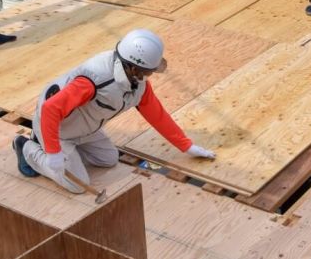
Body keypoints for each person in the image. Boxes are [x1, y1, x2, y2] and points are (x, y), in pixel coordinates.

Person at [13, 29, 217, 193]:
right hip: (57, 129)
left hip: (85, 128)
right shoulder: (94, 80)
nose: (151, 75)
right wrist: (53, 152)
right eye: (149, 71)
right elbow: (50, 109)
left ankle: (70, 153)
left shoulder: (138, 83)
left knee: (108, 159)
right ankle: (27, 148)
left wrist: (186, 146)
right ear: (133, 67)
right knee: (77, 184)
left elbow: (157, 115)